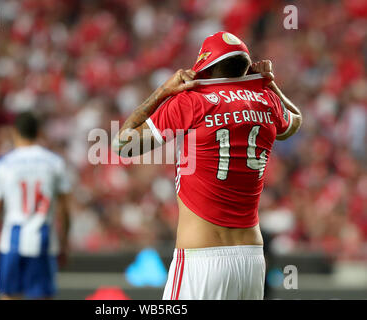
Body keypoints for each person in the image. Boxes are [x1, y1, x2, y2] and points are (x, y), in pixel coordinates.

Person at [112, 31, 302, 300]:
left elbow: (122, 145)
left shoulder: (191, 101)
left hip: (201, 259)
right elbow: (295, 121)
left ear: (205, 67)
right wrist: (269, 84)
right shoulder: (267, 101)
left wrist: (162, 91)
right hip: (252, 260)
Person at [0, 112, 71, 299]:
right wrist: (64, 244)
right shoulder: (55, 163)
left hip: (12, 242)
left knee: (9, 296)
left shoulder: (3, 164)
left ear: (14, 132)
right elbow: (64, 211)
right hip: (44, 241)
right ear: (39, 132)